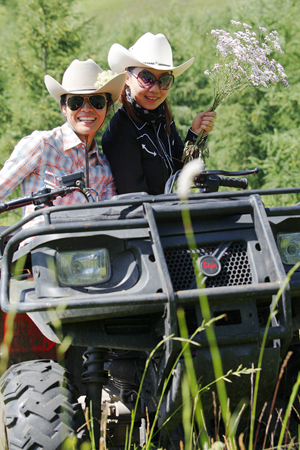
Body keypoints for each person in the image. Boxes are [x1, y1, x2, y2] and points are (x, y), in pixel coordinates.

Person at [0, 59, 126, 223]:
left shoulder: (104, 168)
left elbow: (111, 222)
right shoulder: (42, 145)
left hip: (92, 246)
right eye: (76, 102)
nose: (87, 109)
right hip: (41, 245)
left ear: (107, 108)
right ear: (63, 108)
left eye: (97, 102)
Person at [102, 32, 216, 195]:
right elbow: (134, 200)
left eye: (164, 80)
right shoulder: (121, 131)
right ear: (127, 78)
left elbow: (183, 171)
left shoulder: (162, 119)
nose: (155, 89)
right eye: (146, 78)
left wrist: (195, 134)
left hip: (166, 214)